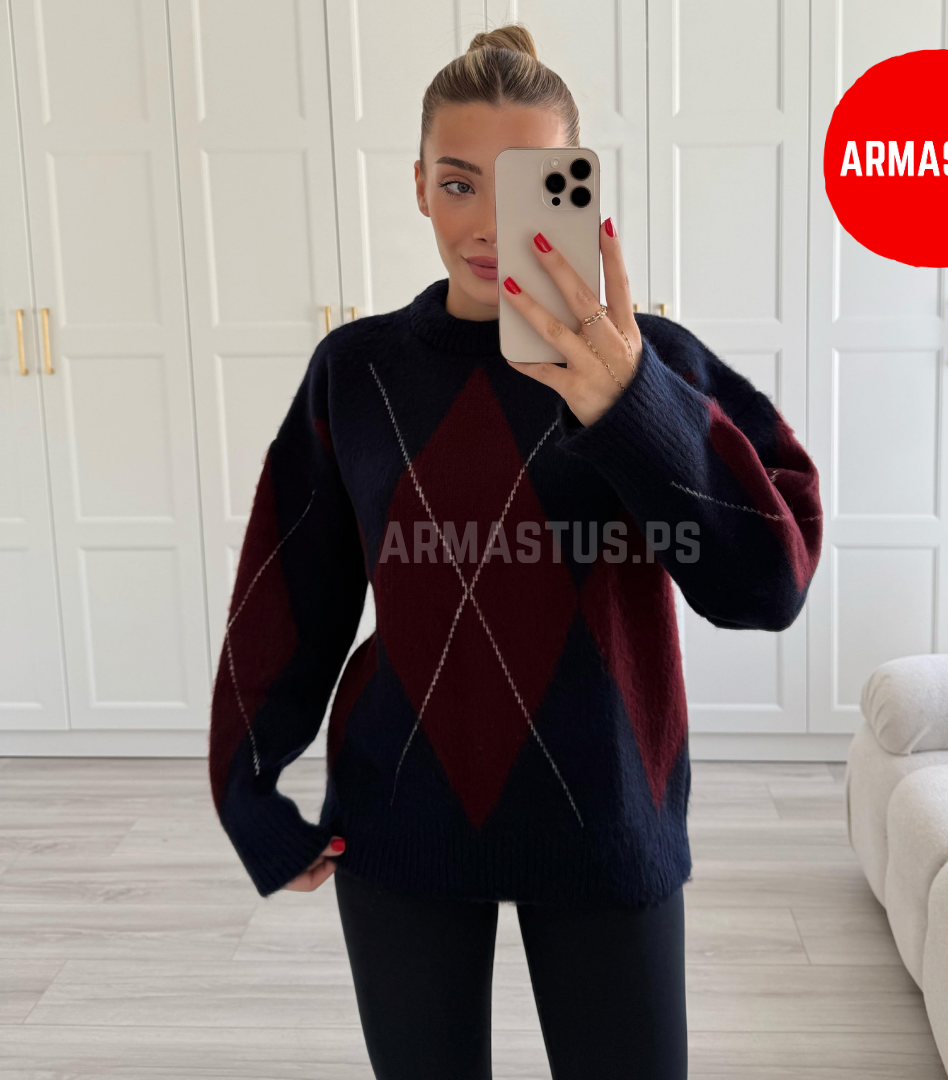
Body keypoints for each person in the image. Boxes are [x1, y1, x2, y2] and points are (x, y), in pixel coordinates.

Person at [207, 22, 823, 1080]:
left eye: (528, 186)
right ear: (417, 186)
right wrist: (248, 793)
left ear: (577, 188)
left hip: (608, 815)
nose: (490, 225)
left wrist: (631, 403)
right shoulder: (357, 373)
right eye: (458, 184)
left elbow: (768, 582)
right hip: (402, 816)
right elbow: (289, 592)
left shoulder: (655, 363)